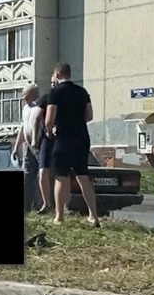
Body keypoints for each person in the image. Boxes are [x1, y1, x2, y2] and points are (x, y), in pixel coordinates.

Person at [43, 62, 100, 225]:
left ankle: (59, 216)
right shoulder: (82, 92)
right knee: (83, 176)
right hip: (82, 137)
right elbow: (89, 116)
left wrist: (51, 129)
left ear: (58, 74)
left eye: (54, 75)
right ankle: (93, 216)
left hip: (64, 138)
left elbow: (49, 119)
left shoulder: (55, 93)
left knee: (61, 176)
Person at [12, 84, 46, 212]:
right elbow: (22, 127)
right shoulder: (26, 108)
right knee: (27, 175)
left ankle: (42, 203)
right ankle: (27, 205)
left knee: (41, 174)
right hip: (28, 145)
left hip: (39, 144)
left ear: (33, 94)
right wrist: (17, 146)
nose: (23, 99)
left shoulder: (41, 105)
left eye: (25, 96)